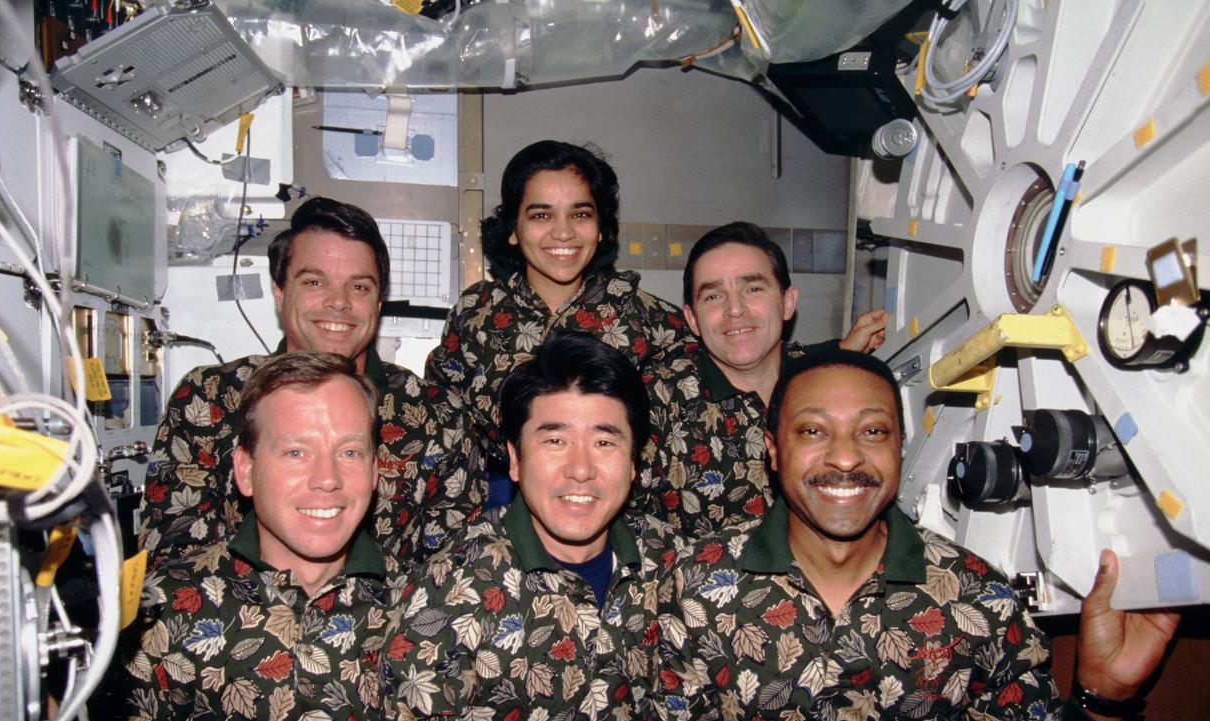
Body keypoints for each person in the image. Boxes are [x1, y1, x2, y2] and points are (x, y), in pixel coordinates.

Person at [656, 348, 1179, 721]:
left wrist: (1104, 697)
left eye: (873, 431)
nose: (843, 457)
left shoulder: (977, 599)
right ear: (773, 449)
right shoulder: (699, 584)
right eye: (813, 430)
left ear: (899, 446)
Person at [378, 331, 683, 721]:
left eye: (605, 441)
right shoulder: (451, 589)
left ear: (635, 462)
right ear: (515, 460)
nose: (581, 469)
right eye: (554, 439)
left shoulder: (672, 564)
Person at [99, 352, 406, 721]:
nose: (327, 479)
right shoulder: (170, 606)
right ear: (244, 470)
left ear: (375, 470)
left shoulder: (419, 611)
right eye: (295, 452)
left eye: (349, 452)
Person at [138, 196, 476, 567]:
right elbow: (171, 561)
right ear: (280, 293)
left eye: (359, 287)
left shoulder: (437, 416)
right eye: (315, 282)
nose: (338, 302)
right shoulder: (209, 401)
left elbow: (451, 570)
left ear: (378, 303)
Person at [424, 140, 691, 506]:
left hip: (622, 517)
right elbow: (443, 431)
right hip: (496, 517)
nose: (562, 232)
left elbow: (678, 446)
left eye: (580, 214)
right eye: (541, 215)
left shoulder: (653, 321)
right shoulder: (476, 315)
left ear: (600, 228)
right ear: (513, 229)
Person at [638, 221, 887, 537]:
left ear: (787, 303)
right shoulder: (654, 404)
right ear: (692, 319)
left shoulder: (828, 385)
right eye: (714, 296)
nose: (735, 310)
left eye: (753, 289)